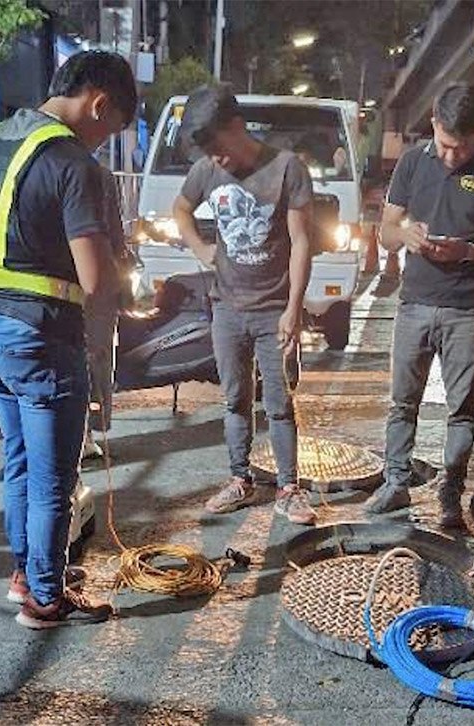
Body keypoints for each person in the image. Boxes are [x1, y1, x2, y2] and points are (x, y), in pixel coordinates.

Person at [0, 51, 137, 628]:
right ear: (99, 104)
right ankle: (45, 596)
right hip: (43, 336)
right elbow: (95, 280)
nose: (102, 143)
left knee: (18, 462)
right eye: (110, 130)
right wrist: (115, 304)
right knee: (53, 480)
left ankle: (25, 573)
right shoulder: (72, 163)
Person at [367, 82, 474, 527]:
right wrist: (406, 234)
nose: (452, 155)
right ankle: (395, 483)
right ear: (434, 123)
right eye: (444, 144)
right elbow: (386, 231)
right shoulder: (412, 162)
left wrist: (469, 251)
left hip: (466, 309)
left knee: (461, 410)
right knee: (403, 402)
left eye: (462, 147)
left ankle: (450, 495)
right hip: (414, 303)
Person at [172, 84, 317, 526]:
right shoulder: (206, 170)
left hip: (274, 309)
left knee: (279, 402)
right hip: (227, 308)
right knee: (235, 399)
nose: (217, 161)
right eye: (209, 154)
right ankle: (240, 479)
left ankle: (289, 488)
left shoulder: (287, 168)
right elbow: (181, 210)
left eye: (219, 149)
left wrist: (293, 308)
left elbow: (301, 242)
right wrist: (201, 248)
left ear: (237, 126)